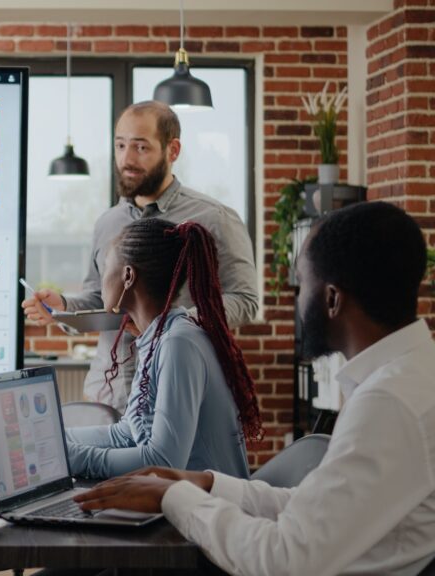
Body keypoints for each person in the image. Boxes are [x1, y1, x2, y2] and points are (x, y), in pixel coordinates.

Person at [73, 202, 435, 575]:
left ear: (331, 298)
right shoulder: (411, 378)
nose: (296, 302)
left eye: (301, 285)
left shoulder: (387, 404)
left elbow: (284, 560)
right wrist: (206, 484)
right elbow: (310, 506)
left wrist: (173, 496)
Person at [22, 101, 258, 412]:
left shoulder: (215, 218)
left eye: (141, 147)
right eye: (120, 145)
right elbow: (98, 297)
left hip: (179, 393)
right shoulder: (108, 223)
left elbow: (244, 300)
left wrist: (169, 323)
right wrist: (63, 306)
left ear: (172, 151)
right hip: (110, 396)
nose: (127, 159)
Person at [66, 218, 258, 480]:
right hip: (183, 502)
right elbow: (127, 433)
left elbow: (164, 461)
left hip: (208, 511)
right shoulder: (159, 337)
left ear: (128, 275)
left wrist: (70, 458)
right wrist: (58, 440)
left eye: (106, 267)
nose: (101, 280)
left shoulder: (178, 343)